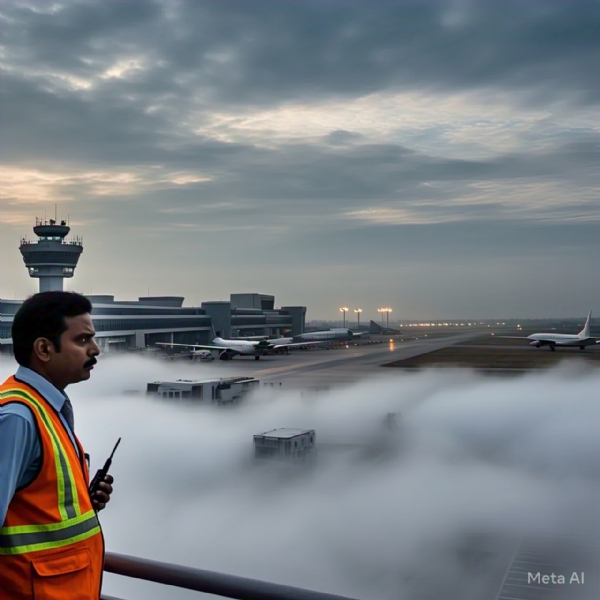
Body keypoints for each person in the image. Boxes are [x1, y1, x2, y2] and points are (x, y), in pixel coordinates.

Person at [0, 291, 113, 599]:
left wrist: (84, 503)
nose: (96, 349)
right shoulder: (17, 418)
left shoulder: (46, 407)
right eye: (82, 340)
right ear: (44, 349)